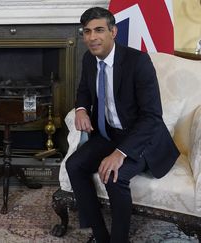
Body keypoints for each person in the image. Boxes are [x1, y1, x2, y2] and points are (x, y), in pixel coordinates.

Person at [65, 7, 179, 243]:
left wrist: (121, 153)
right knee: (74, 165)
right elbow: (84, 90)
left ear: (113, 31)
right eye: (86, 32)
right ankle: (99, 235)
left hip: (143, 140)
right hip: (109, 134)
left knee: (113, 177)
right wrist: (81, 109)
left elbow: (152, 117)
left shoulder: (138, 62)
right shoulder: (88, 59)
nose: (92, 37)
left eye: (99, 30)